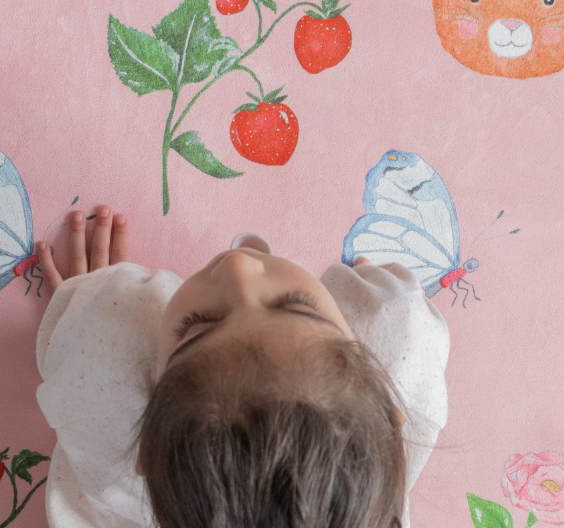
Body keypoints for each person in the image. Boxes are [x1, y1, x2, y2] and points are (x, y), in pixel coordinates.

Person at [34, 205, 449, 528]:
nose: (238, 266)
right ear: (391, 418)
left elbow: (87, 355)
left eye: (198, 328)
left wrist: (86, 308)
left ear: (145, 452)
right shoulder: (402, 335)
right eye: (296, 306)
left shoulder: (109, 430)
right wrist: (372, 295)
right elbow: (405, 318)